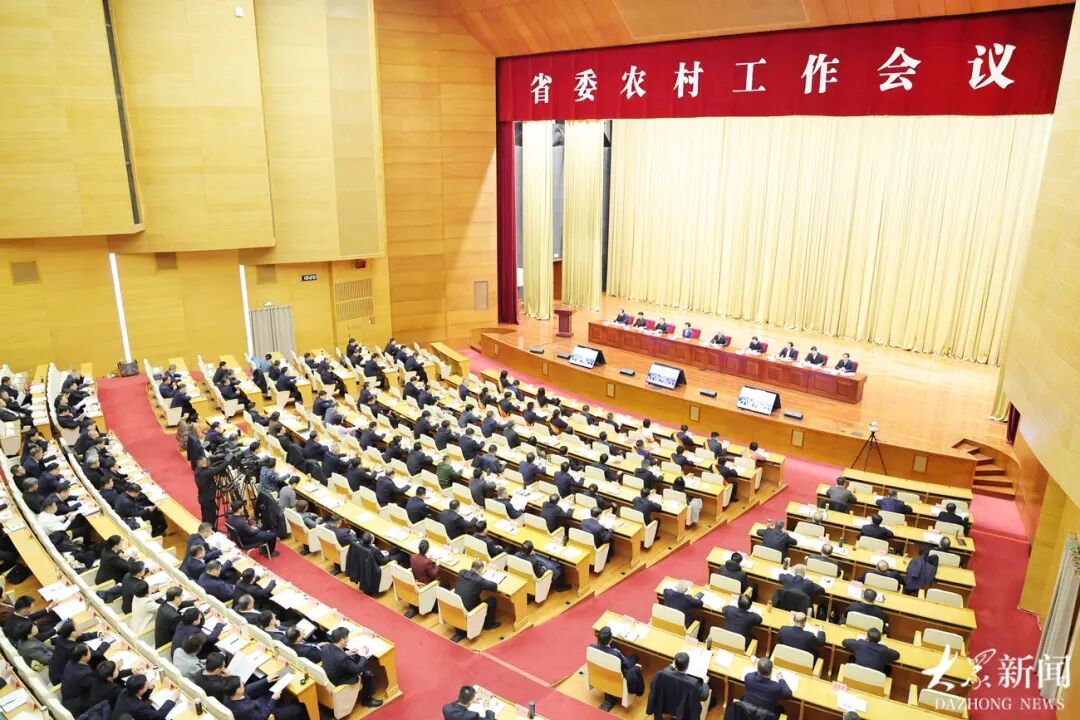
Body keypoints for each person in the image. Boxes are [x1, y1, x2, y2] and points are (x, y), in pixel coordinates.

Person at [321, 626, 382, 707]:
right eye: (347, 638)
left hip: (333, 674)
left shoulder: (326, 647)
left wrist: (347, 654)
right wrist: (363, 654)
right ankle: (367, 699)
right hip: (342, 680)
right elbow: (357, 669)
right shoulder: (342, 659)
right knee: (368, 673)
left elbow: (336, 657)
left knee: (356, 659)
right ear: (342, 640)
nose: (348, 640)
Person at [591, 626, 644, 709]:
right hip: (616, 675)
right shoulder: (615, 653)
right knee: (636, 664)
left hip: (600, 672)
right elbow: (627, 664)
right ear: (610, 640)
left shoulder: (591, 647)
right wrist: (635, 657)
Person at [646, 652, 710, 720]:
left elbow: (665, 672)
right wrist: (705, 683)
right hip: (683, 712)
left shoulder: (660, 674)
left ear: (675, 664)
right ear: (688, 666)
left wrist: (671, 666)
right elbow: (704, 696)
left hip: (666, 706)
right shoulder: (693, 683)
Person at [223, 672, 307, 720]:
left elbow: (247, 689)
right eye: (241, 684)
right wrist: (273, 699)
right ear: (237, 690)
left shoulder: (228, 695)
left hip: (258, 704)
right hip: (266, 713)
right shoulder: (245, 710)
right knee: (298, 708)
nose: (243, 683)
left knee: (271, 685)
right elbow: (262, 717)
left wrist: (267, 680)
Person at [454, 560, 501, 638]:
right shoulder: (478, 580)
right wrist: (484, 576)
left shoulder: (461, 572)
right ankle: (488, 625)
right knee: (493, 600)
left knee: (476, 596)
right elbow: (494, 586)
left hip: (457, 606)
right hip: (468, 611)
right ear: (480, 569)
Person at [194, 455, 229, 527]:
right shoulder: (207, 473)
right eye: (205, 462)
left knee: (205, 517)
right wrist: (227, 460)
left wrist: (223, 456)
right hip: (208, 500)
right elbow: (219, 468)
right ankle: (209, 531)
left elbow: (210, 459)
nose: (207, 462)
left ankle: (204, 529)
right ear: (202, 464)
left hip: (203, 498)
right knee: (211, 518)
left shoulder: (197, 469)